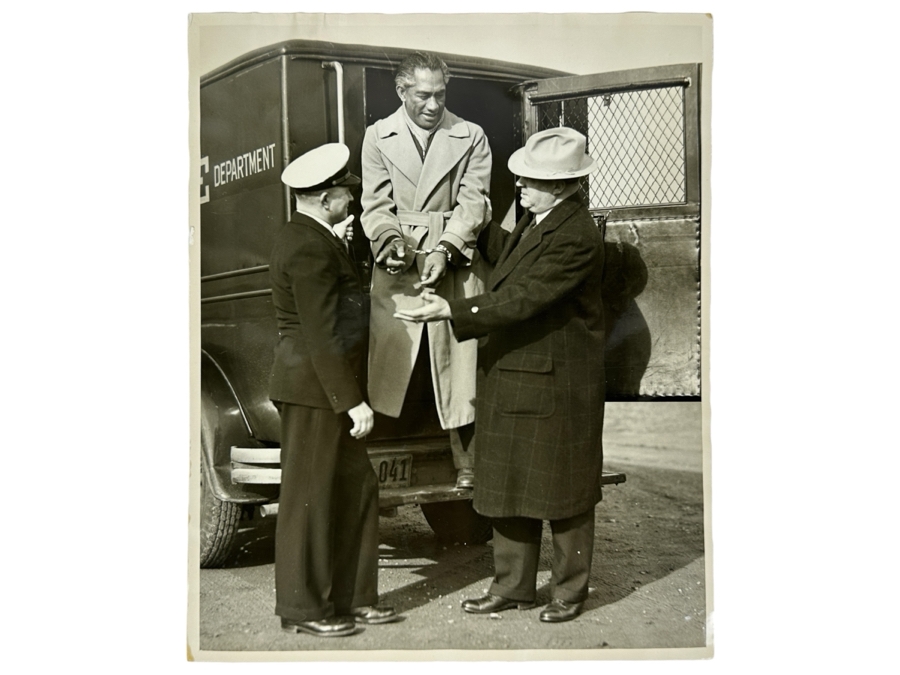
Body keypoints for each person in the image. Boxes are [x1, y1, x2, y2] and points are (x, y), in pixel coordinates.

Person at [395, 127, 606, 623]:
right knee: (509, 484)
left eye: (531, 181)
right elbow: (513, 257)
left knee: (566, 493)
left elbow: (523, 296)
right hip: (519, 374)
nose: (521, 187)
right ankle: (512, 587)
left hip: (555, 384)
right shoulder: (541, 219)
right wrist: (471, 221)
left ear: (561, 186)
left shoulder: (577, 235)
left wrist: (451, 310)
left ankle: (569, 592)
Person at [268, 143, 398, 637]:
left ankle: (353, 598)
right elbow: (321, 334)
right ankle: (303, 610)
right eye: (346, 193)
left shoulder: (315, 237)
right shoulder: (308, 247)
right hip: (314, 390)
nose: (353, 200)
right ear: (325, 200)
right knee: (310, 498)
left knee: (356, 488)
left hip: (321, 386)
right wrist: (353, 401)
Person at [360, 51, 492, 489]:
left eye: (440, 95)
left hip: (456, 258)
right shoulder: (377, 137)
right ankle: (372, 464)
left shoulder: (471, 136)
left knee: (460, 367)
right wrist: (389, 243)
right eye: (423, 95)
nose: (434, 105)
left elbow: (474, 202)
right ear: (401, 91)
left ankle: (469, 463)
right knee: (395, 359)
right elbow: (375, 205)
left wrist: (447, 248)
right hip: (398, 264)